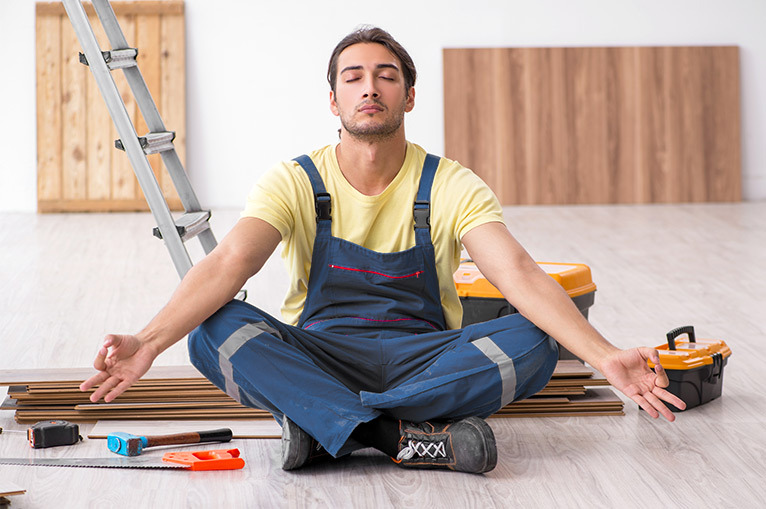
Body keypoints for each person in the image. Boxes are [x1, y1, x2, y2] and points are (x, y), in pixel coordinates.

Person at [80, 26, 685, 474]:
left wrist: (604, 356)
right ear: (334, 101)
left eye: (386, 76)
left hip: (426, 359)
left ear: (409, 96)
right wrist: (148, 342)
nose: (370, 88)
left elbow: (517, 273)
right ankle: (400, 436)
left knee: (535, 341)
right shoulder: (294, 181)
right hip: (320, 353)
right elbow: (228, 263)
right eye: (354, 77)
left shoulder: (448, 183)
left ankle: (329, 427)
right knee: (212, 331)